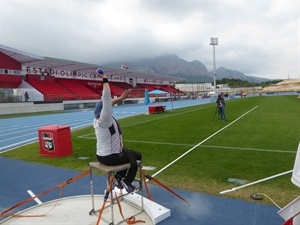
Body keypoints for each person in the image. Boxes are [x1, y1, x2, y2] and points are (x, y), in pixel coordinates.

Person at [93, 72, 142, 193]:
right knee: (135, 156)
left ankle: (118, 179)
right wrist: (105, 80)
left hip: (102, 156)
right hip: (110, 157)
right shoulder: (105, 120)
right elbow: (106, 100)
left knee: (128, 153)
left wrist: (121, 98)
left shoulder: (98, 119)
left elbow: (108, 104)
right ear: (103, 110)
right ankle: (127, 182)